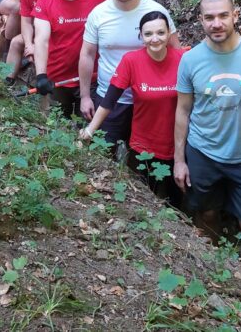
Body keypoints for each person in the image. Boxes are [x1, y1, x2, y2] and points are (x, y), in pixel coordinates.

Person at [172, 0, 241, 274]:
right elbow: (182, 110)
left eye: (223, 16)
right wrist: (179, 160)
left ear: (235, 15)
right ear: (201, 21)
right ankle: (213, 275)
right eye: (209, 18)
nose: (216, 23)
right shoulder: (191, 60)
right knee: (206, 215)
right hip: (202, 152)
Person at [80, 11, 188, 205]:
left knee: (177, 203)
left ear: (169, 33)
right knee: (145, 201)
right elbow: (109, 100)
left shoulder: (185, 59)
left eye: (161, 33)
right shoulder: (131, 61)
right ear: (141, 36)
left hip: (179, 146)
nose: (155, 39)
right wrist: (90, 129)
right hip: (143, 146)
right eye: (148, 34)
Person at [79, 0, 178, 154]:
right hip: (109, 97)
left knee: (144, 158)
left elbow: (175, 53)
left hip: (151, 99)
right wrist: (84, 96)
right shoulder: (99, 14)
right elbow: (87, 55)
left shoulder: (156, 12)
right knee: (103, 153)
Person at [32, 0, 110, 117]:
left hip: (93, 77)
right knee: (56, 126)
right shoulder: (45, 2)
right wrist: (40, 75)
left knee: (92, 129)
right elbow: (41, 40)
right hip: (57, 78)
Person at [5, 0, 57, 85]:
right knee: (16, 42)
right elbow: (26, 21)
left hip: (56, 31)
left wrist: (37, 44)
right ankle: (7, 80)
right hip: (38, 30)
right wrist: (29, 45)